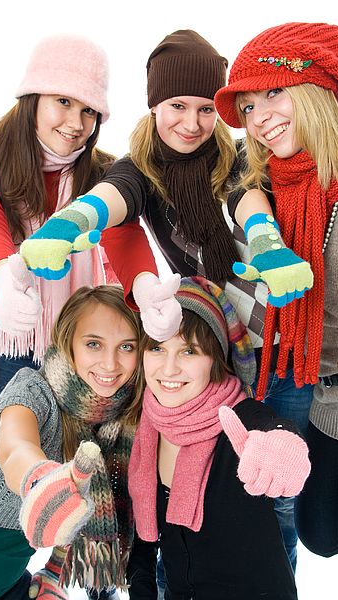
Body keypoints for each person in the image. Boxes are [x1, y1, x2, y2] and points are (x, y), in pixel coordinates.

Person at [19, 30, 313, 571]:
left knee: (275, 501)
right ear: (155, 104)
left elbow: (245, 199)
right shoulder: (140, 169)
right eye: (178, 105)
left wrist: (268, 246)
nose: (192, 122)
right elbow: (109, 199)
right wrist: (66, 225)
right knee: (193, 493)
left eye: (206, 108)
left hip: (280, 353)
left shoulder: (236, 157)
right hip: (214, 357)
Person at [214, 22, 338, 599]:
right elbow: (215, 165)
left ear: (318, 90)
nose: (259, 118)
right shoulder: (280, 179)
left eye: (273, 93)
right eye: (249, 105)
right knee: (317, 532)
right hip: (319, 395)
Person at [0, 33, 156, 424]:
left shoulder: (105, 173)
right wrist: (4, 279)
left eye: (89, 111)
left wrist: (146, 286)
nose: (76, 123)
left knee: (99, 468)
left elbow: (123, 234)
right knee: (10, 470)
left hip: (97, 345)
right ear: (32, 98)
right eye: (64, 102)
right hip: (22, 340)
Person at [128, 275, 311, 600]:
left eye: (189, 351)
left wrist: (283, 449)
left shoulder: (239, 418)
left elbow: (277, 433)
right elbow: (142, 544)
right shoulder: (147, 425)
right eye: (157, 348)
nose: (168, 369)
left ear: (217, 358)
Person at [0, 285, 158, 600]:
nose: (110, 364)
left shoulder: (122, 413)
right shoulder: (32, 389)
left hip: (8, 584)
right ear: (67, 341)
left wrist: (53, 573)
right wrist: (39, 478)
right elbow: (15, 447)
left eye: (126, 346)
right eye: (94, 344)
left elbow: (79, 508)